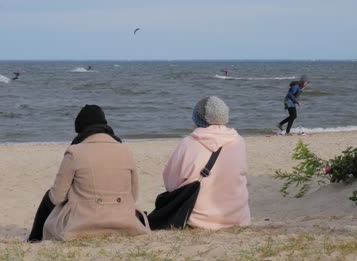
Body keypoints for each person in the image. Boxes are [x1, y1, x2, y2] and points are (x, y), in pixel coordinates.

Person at [26, 105, 150, 242]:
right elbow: (134, 195)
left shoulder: (74, 152)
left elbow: (57, 197)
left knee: (48, 195)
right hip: (123, 222)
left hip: (84, 223)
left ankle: (34, 238)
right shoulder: (126, 151)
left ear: (80, 129)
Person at [162, 96, 251, 230]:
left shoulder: (188, 143)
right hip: (238, 217)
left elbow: (170, 182)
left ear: (198, 119)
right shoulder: (238, 141)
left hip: (197, 220)